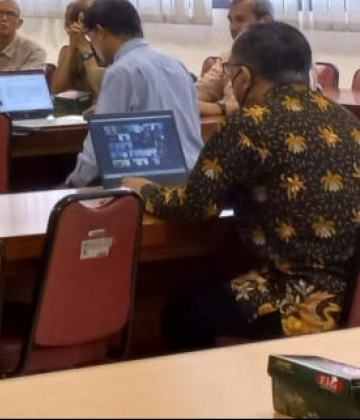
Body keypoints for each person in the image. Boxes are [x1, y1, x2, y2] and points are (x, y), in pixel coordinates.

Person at [123, 21, 360, 349]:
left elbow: (196, 208)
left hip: (298, 301)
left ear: (244, 77)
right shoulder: (346, 121)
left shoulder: (248, 124)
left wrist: (143, 189)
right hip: (351, 296)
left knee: (182, 313)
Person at [64, 0, 202, 187]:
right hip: (196, 177)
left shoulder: (121, 71)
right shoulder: (175, 64)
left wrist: (73, 183)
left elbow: (100, 147)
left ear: (99, 32)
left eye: (90, 37)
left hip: (149, 184)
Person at [198, 0, 274, 117]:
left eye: (240, 20)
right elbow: (196, 95)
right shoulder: (228, 56)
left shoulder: (287, 56)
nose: (232, 27)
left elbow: (274, 107)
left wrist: (222, 108)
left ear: (265, 21)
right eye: (230, 20)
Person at [51, 0, 106, 95]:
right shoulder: (66, 51)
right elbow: (58, 91)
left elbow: (102, 88)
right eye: (67, 26)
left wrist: (85, 46)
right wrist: (72, 47)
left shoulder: (106, 50)